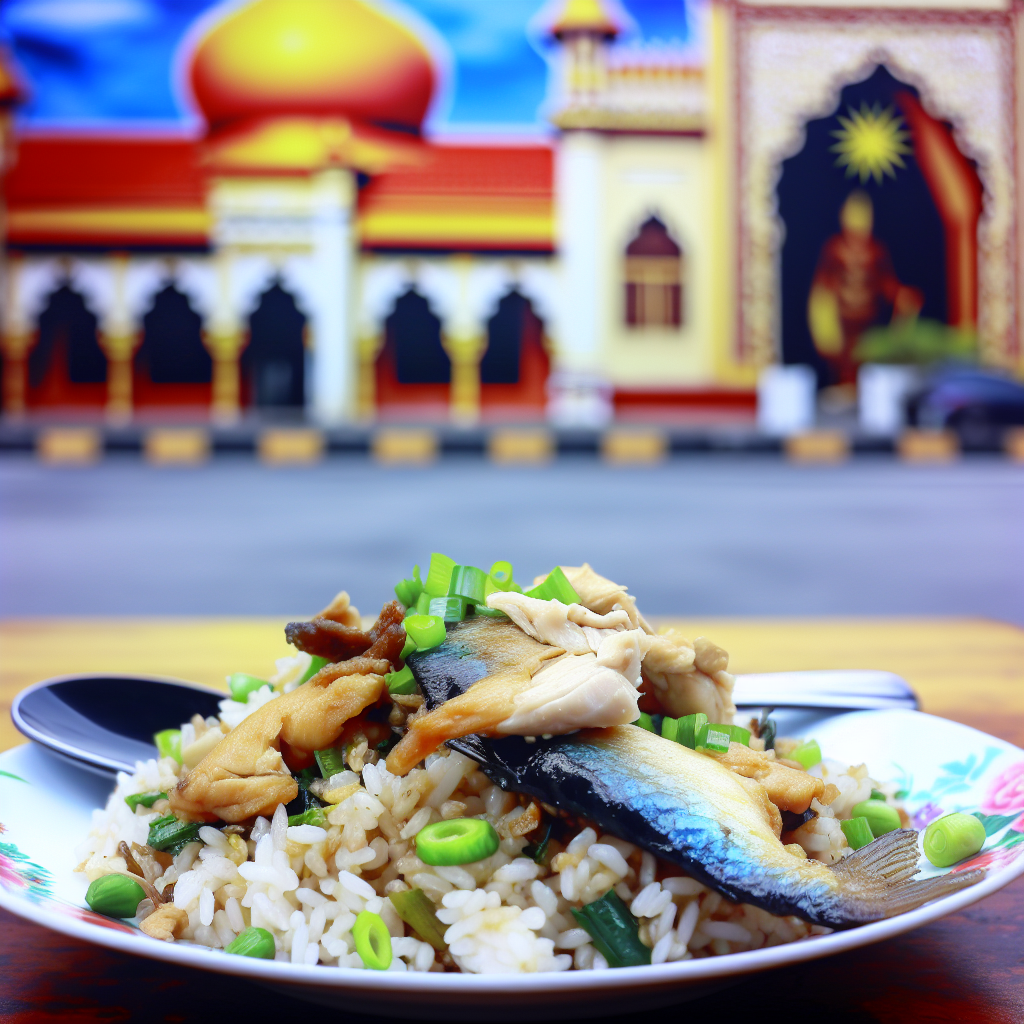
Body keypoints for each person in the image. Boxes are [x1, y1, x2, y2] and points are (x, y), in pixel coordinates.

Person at [807, 190, 922, 384]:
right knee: (842, 364)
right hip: (842, 322)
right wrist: (823, 323)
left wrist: (902, 296)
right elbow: (822, 288)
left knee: (866, 363)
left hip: (868, 322)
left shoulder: (876, 251)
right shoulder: (834, 249)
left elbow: (887, 283)